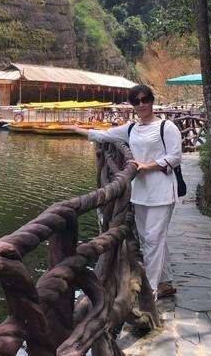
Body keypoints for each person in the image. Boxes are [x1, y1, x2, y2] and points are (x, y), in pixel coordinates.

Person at [70, 84, 182, 299]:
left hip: (162, 192)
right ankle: (165, 282)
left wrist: (147, 166)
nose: (141, 105)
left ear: (151, 100)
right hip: (140, 193)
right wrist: (76, 130)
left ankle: (151, 292)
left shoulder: (166, 127)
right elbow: (104, 136)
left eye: (145, 99)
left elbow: (175, 156)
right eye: (136, 101)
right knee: (151, 239)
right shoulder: (131, 129)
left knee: (152, 239)